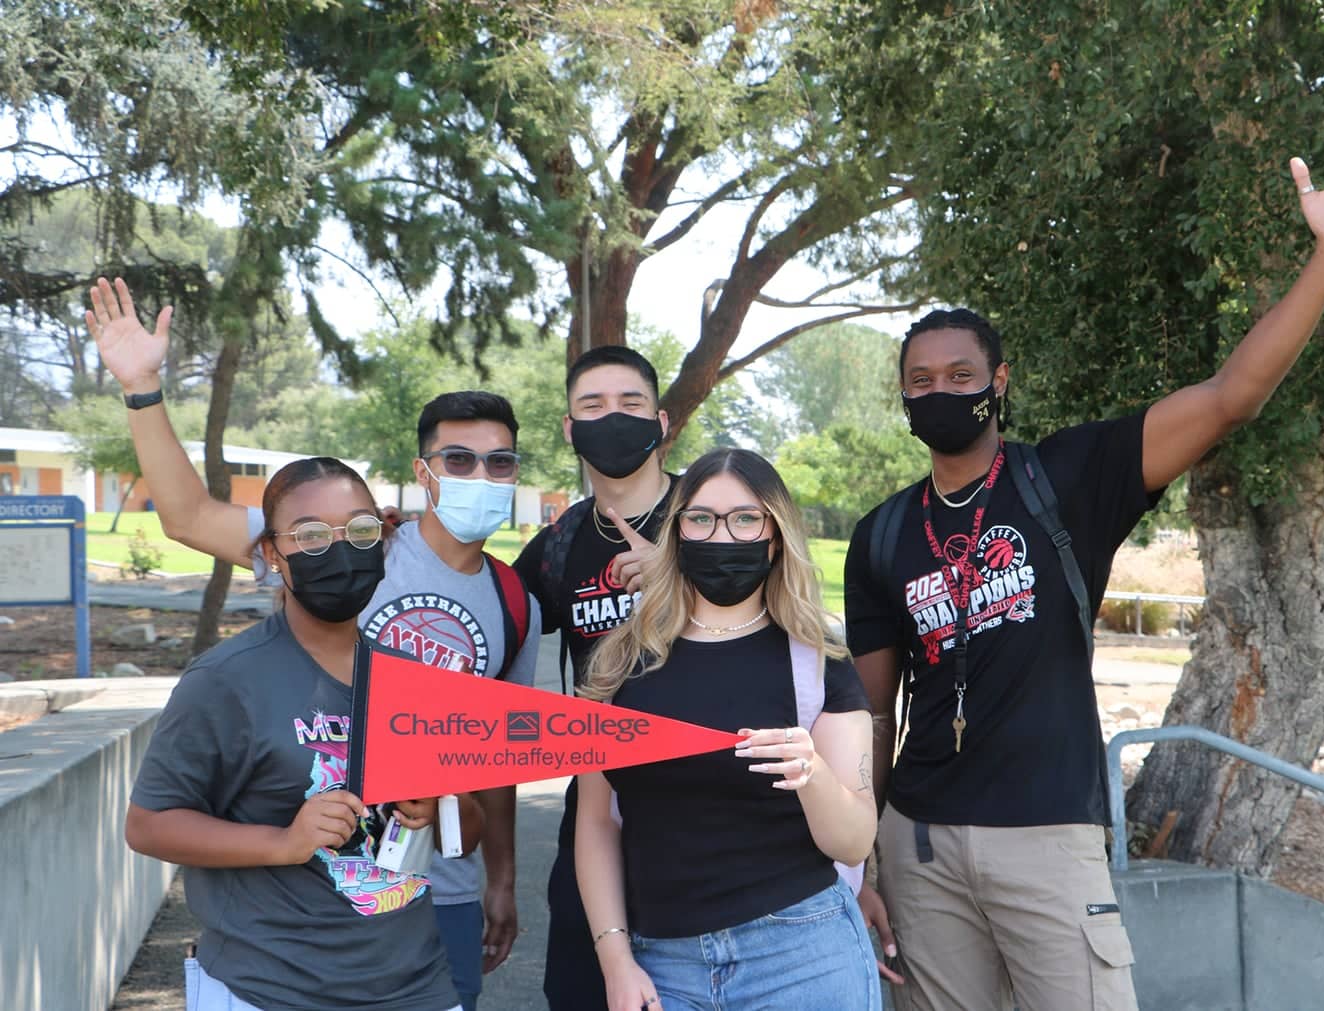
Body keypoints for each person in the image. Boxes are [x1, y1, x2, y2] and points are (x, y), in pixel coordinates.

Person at [844, 117, 1324, 1011]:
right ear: (903, 395)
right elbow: (869, 709)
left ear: (999, 381)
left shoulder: (1069, 476)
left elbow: (1230, 394)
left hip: (1048, 841)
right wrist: (863, 856)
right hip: (920, 848)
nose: (942, 392)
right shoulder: (883, 534)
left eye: (960, 374)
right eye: (921, 381)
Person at [86, 280, 540, 1011]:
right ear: (273, 553)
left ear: (381, 530)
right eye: (458, 460)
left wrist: (457, 823)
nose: (480, 476)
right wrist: (142, 389)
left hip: (417, 957)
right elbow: (187, 511)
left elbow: (484, 786)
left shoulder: (497, 609)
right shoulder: (234, 672)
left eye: (499, 463)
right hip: (275, 983)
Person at [126, 456, 481, 1011]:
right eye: (311, 535)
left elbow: (467, 830)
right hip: (269, 991)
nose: (340, 550)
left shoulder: (414, 681)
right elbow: (149, 826)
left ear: (384, 541)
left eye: (361, 529)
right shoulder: (225, 680)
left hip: (416, 988)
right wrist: (283, 843)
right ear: (272, 554)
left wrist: (441, 809)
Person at [578, 447, 880, 1011]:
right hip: (662, 963)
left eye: (745, 518)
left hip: (802, 955)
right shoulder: (620, 660)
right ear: (678, 531)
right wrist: (615, 960)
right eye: (701, 518)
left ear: (775, 534)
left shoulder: (819, 659)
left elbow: (855, 839)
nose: (722, 536)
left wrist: (810, 773)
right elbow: (596, 822)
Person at [513, 345, 677, 1011]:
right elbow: (483, 617)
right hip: (596, 820)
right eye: (593, 405)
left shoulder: (716, 517)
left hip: (713, 818)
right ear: (568, 428)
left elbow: (804, 635)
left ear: (661, 421)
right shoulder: (558, 545)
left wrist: (678, 574)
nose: (613, 418)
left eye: (630, 403)